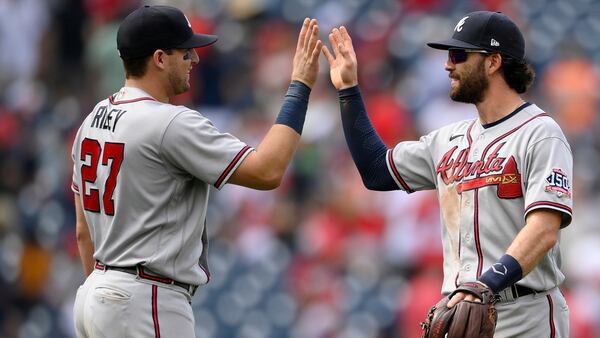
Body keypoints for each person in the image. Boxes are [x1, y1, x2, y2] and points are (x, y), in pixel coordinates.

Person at [71, 5, 322, 337]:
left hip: (94, 295)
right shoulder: (169, 122)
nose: (195, 59)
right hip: (146, 299)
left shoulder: (92, 119)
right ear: (160, 58)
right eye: (186, 51)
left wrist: (102, 292)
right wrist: (301, 86)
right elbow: (267, 171)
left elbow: (83, 231)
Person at [323, 11, 572, 337]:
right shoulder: (447, 140)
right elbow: (376, 171)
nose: (447, 65)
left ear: (493, 62)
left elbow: (544, 230)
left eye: (458, 54)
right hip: (463, 315)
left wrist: (486, 285)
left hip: (526, 314)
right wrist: (349, 90)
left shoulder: (540, 133)